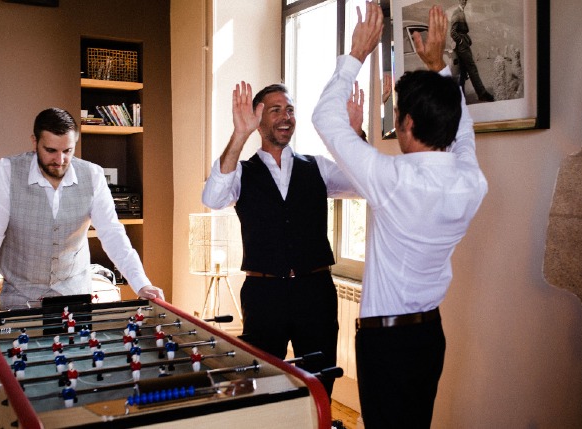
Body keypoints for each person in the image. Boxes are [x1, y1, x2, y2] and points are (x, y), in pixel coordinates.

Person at [312, 3, 488, 428]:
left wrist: (356, 53)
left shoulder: (391, 178)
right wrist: (439, 67)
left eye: (396, 116)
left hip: (386, 343)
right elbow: (462, 131)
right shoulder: (471, 181)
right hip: (430, 336)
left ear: (407, 123)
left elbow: (322, 117)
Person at [201, 79, 365, 398]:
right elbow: (213, 197)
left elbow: (365, 183)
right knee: (262, 385)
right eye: (275, 110)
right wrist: (239, 134)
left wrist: (354, 136)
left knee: (319, 385)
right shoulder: (241, 172)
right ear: (258, 119)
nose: (285, 116)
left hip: (315, 293)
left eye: (289, 109)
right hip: (264, 295)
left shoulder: (317, 167)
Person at [0, 107, 164, 318]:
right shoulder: (5, 172)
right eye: (51, 150)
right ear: (35, 142)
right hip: (21, 298)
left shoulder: (93, 175)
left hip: (75, 296)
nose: (60, 160)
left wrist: (141, 284)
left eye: (68, 151)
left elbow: (112, 234)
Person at [451, 0, 494, 102]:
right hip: (462, 47)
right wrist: (461, 40)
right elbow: (452, 32)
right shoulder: (457, 13)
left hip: (463, 45)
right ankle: (482, 93)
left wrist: (465, 39)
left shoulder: (461, 12)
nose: (463, 2)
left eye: (465, 0)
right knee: (472, 68)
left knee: (462, 72)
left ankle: (461, 97)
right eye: (462, 0)